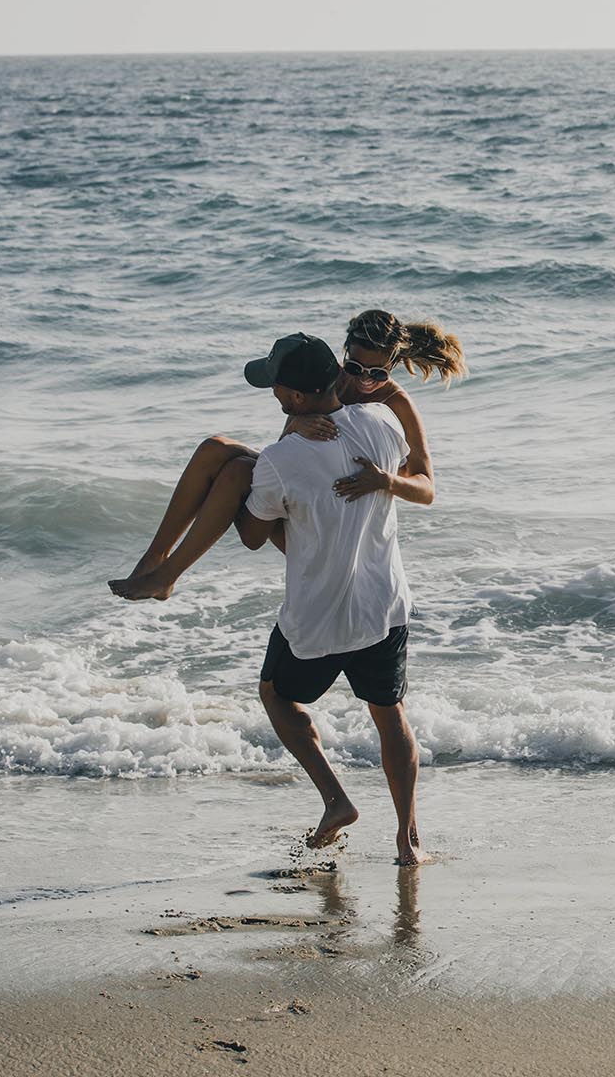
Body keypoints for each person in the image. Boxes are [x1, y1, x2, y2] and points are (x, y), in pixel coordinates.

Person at [228, 332, 430, 866]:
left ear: (293, 397)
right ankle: (408, 841)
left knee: (275, 694)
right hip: (381, 609)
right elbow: (417, 479)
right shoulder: (385, 425)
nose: (273, 393)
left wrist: (241, 484)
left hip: (316, 619)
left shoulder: (278, 458)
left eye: (275, 387)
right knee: (391, 717)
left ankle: (336, 800)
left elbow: (252, 534)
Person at [107, 310, 463, 600]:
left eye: (377, 374)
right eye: (354, 368)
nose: (362, 382)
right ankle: (156, 560)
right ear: (344, 356)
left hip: (336, 529)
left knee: (236, 472)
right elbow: (284, 450)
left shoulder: (397, 403)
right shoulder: (328, 381)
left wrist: (386, 480)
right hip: (305, 498)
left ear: (393, 366)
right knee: (213, 449)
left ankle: (167, 576)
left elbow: (427, 489)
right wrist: (297, 426)